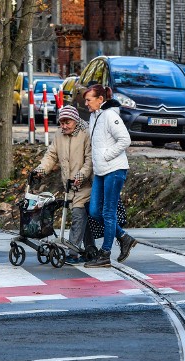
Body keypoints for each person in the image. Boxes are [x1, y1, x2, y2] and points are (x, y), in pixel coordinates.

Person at [82, 84, 137, 268]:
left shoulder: (110, 116)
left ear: (100, 99)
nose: (86, 103)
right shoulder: (93, 116)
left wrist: (106, 155)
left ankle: (105, 254)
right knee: (95, 211)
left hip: (114, 170)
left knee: (108, 212)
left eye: (89, 100)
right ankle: (123, 236)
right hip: (101, 171)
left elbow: (125, 140)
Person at [34, 105, 94, 264]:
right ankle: (90, 250)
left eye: (67, 123)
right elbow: (51, 155)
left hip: (85, 184)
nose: (64, 126)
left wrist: (81, 175)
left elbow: (90, 159)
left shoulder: (85, 133)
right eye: (61, 123)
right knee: (82, 218)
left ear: (75, 121)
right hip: (69, 184)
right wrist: (40, 170)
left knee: (78, 214)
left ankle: (73, 252)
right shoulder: (59, 135)